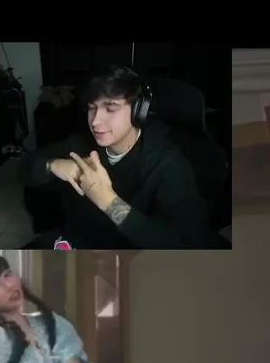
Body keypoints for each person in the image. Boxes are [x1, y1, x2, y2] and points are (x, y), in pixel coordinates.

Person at [16, 65, 209, 249]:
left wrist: (108, 201)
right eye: (92, 107)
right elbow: (23, 170)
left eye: (111, 108)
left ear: (138, 111)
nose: (95, 121)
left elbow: (184, 244)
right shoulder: (78, 145)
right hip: (78, 242)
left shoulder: (168, 164)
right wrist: (53, 165)